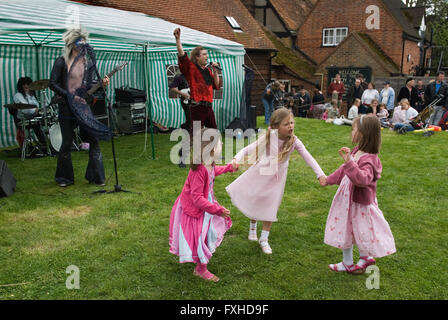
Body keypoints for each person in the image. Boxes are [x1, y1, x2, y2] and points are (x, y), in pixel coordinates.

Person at [226, 108, 326, 254]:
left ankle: (264, 239)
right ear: (276, 126)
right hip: (261, 173)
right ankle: (252, 227)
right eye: (286, 124)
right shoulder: (270, 136)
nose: (291, 126)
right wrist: (236, 158)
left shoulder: (295, 142)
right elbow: (249, 148)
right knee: (256, 200)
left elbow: (308, 157)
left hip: (277, 179)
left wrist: (320, 175)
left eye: (292, 123)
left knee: (271, 205)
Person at [321, 115, 396, 274]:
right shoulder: (356, 151)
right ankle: (351, 261)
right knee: (346, 228)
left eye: (354, 128)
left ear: (363, 133)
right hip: (348, 200)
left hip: (359, 203)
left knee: (360, 230)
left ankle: (363, 258)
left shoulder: (370, 159)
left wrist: (350, 163)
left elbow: (362, 179)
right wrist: (329, 179)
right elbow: (343, 171)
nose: (351, 131)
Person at [169, 128, 238, 282]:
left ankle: (200, 262)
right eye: (219, 143)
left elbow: (213, 172)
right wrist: (217, 210)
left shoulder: (209, 163)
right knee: (202, 237)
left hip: (205, 205)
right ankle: (200, 269)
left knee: (207, 234)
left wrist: (228, 168)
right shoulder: (198, 170)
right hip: (196, 208)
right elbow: (197, 198)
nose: (222, 145)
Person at [49, 28, 111, 187]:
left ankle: (96, 176)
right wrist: (69, 96)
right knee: (67, 143)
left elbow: (88, 86)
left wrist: (101, 85)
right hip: (66, 107)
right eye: (80, 42)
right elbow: (52, 83)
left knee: (94, 139)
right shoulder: (61, 61)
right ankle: (64, 178)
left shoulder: (86, 63)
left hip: (83, 107)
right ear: (72, 44)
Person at [173, 28, 221, 129]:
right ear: (197, 57)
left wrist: (215, 71)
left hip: (208, 107)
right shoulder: (191, 68)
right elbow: (182, 55)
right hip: (197, 107)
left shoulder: (208, 71)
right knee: (196, 135)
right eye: (204, 54)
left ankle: (212, 145)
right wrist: (178, 39)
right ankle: (187, 145)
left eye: (207, 54)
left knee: (213, 133)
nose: (207, 57)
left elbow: (216, 86)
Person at [13, 77, 47, 147]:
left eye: (28, 84)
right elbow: (26, 109)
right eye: (24, 84)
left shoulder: (32, 95)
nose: (26, 86)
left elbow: (36, 106)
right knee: (37, 123)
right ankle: (42, 143)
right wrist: (35, 110)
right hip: (22, 119)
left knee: (45, 119)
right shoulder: (18, 95)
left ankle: (47, 143)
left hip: (33, 117)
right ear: (21, 86)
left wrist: (37, 110)